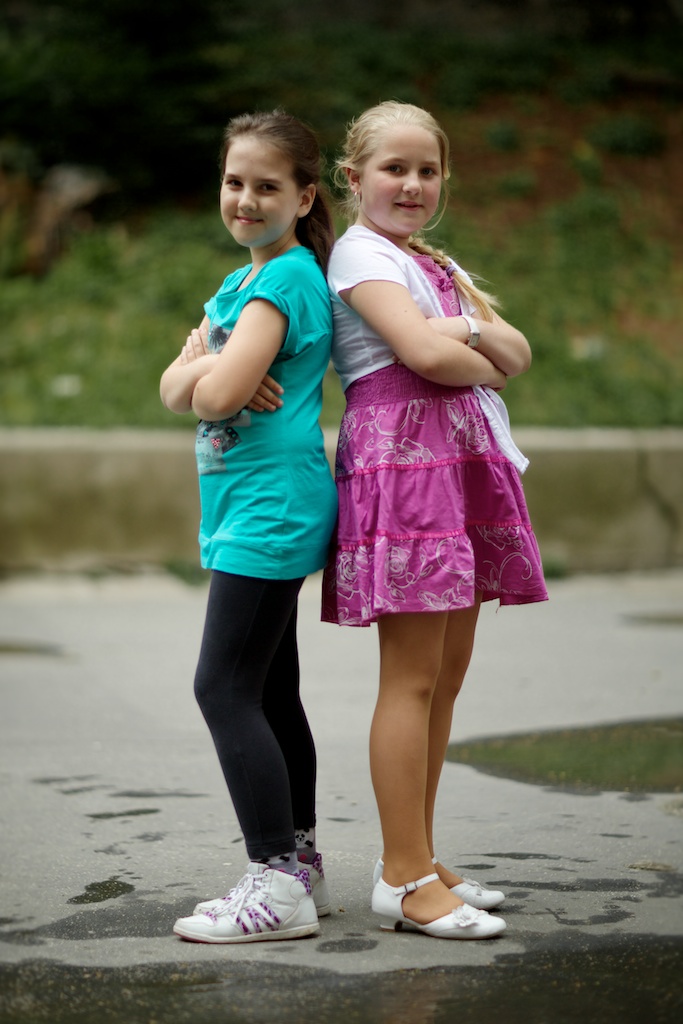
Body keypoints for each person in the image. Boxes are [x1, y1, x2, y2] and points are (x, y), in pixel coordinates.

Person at [322, 101, 548, 940]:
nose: (412, 184)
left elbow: (517, 355)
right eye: (394, 169)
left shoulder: (429, 261)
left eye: (427, 170)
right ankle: (402, 877)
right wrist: (466, 345)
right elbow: (422, 356)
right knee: (411, 678)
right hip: (406, 470)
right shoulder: (359, 253)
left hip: (455, 464)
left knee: (446, 675)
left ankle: (418, 854)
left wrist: (464, 335)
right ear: (354, 179)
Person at [160, 110, 338, 944]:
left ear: (304, 198)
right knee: (267, 689)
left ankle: (274, 880)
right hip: (252, 505)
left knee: (222, 687)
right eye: (234, 182)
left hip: (270, 509)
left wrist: (210, 371)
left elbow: (215, 394)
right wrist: (206, 371)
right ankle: (299, 865)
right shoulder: (241, 283)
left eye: (267, 186)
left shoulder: (282, 282)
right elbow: (176, 389)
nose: (245, 199)